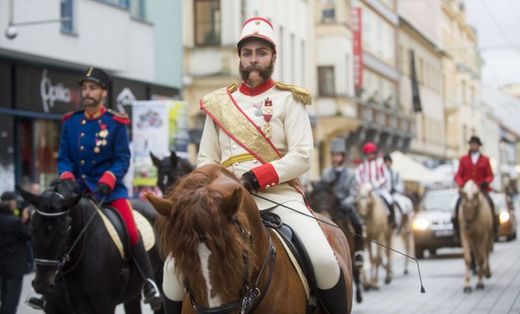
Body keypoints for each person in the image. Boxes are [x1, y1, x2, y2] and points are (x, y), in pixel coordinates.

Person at [162, 17, 348, 314]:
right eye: (247, 53)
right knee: (172, 267)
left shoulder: (289, 99)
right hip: (223, 203)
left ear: (273, 56)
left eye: (261, 53)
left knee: (324, 260)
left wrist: (257, 176)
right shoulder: (219, 103)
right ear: (240, 57)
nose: (253, 59)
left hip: (279, 196)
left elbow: (301, 156)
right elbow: (206, 159)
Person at [27, 67, 161, 310]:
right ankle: (48, 289)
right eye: (84, 88)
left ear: (103, 92)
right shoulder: (71, 121)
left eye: (92, 88)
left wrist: (109, 178)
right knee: (54, 230)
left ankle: (148, 282)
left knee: (131, 230)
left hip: (109, 192)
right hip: (75, 191)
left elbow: (122, 158)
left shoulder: (115, 122)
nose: (87, 92)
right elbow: (64, 156)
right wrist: (66, 175)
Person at [321, 138, 364, 267]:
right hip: (330, 208)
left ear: (343, 156)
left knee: (358, 224)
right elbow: (324, 189)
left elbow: (353, 193)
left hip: (345, 207)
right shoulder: (326, 173)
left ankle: (358, 253)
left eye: (338, 155)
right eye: (333, 155)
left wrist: (346, 202)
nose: (335, 158)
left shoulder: (350, 174)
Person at [453, 136, 497, 233]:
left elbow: (490, 175)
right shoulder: (463, 159)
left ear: (478, 146)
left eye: (475, 144)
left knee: (490, 203)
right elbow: (458, 175)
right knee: (457, 204)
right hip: (467, 190)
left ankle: (494, 226)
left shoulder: (485, 160)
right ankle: (456, 227)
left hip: (481, 189)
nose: (474, 146)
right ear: (470, 145)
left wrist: (486, 182)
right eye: (472, 144)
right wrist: (462, 184)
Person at [0, 194, 31, 314]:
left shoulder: (10, 220)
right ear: (11, 204)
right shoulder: (15, 222)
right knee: (11, 301)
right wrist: (26, 219)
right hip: (14, 266)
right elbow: (28, 235)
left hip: (2, 266)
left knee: (4, 296)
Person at [355, 142, 397, 227]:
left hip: (379, 189)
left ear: (375, 153)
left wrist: (376, 184)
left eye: (372, 153)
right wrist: (363, 184)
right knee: (357, 201)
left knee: (389, 200)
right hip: (366, 190)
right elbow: (358, 177)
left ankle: (391, 221)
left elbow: (385, 177)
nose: (370, 155)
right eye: (368, 153)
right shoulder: (362, 166)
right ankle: (358, 220)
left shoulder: (380, 165)